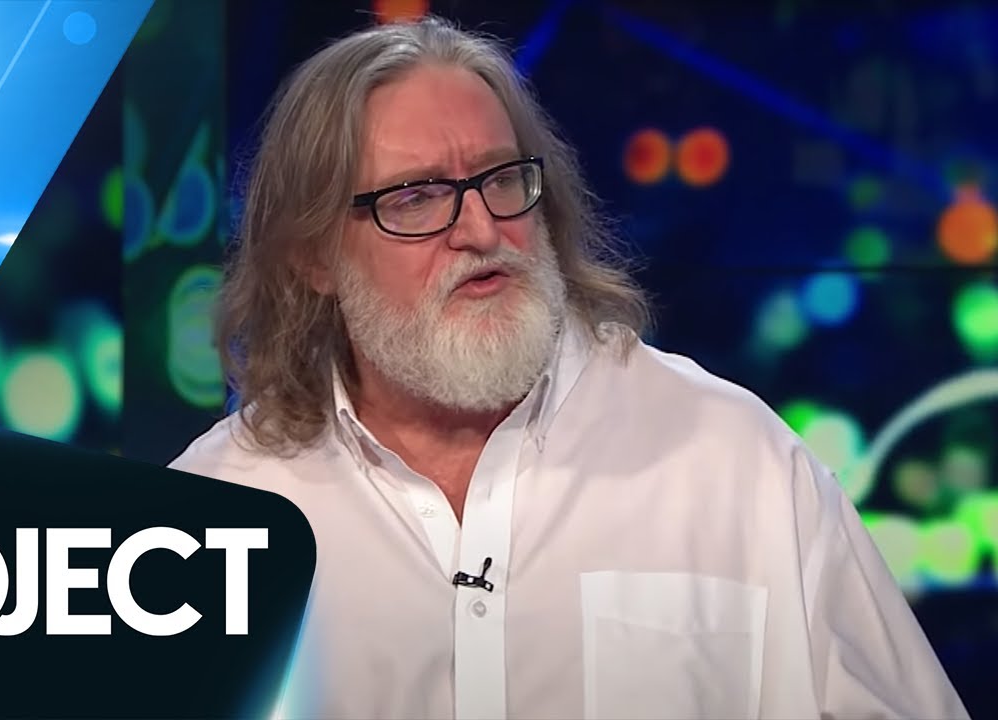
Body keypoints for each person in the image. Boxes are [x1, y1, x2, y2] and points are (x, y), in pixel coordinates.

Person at [168, 15, 970, 720]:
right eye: (415, 198)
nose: (481, 229)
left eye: (501, 180)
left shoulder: (738, 463)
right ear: (312, 257)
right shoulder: (211, 514)